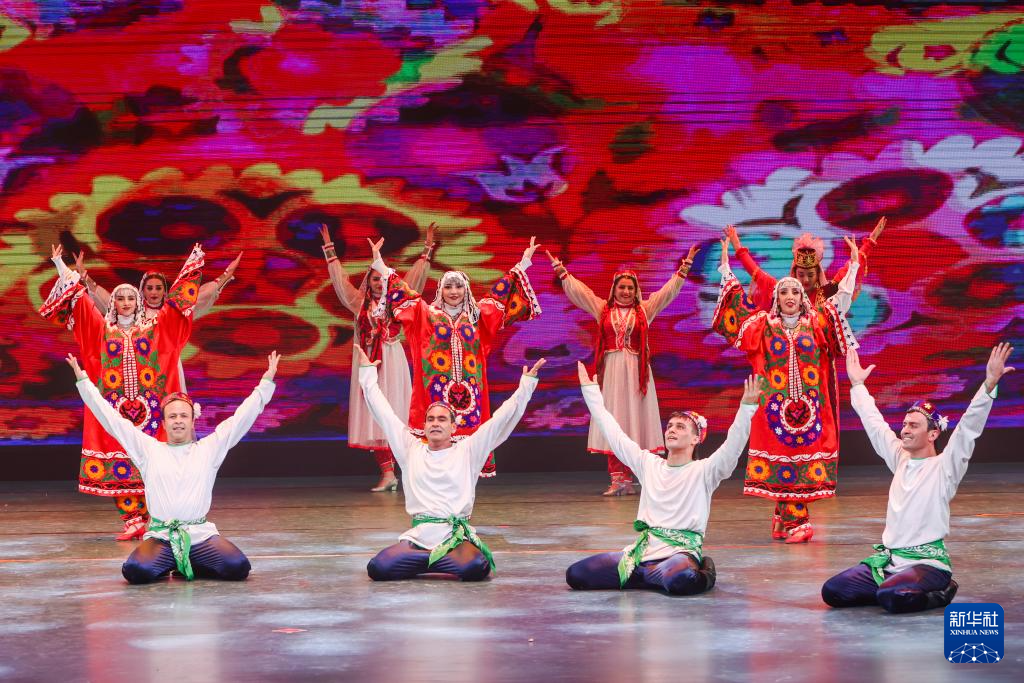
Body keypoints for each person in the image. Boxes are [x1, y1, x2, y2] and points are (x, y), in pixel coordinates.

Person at [821, 344, 1013, 613]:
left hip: (927, 564)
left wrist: (989, 384)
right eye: (904, 425)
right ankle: (893, 588)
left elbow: (968, 428)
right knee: (833, 592)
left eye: (913, 426)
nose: (905, 430)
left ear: (933, 434)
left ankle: (941, 591)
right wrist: (857, 385)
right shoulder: (900, 458)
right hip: (891, 562)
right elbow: (875, 425)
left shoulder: (945, 467)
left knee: (892, 597)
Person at [66, 350, 279, 584]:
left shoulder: (209, 448)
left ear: (192, 421)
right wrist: (84, 383)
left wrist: (265, 384)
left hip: (200, 537)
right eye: (173, 416)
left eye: (183, 416)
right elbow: (112, 421)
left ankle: (188, 562)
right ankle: (174, 561)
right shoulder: (148, 449)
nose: (178, 420)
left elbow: (240, 419)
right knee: (135, 571)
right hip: (162, 538)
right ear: (164, 423)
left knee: (238, 567)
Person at [41, 243, 205, 540]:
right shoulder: (103, 330)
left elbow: (176, 310)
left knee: (152, 465)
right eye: (120, 298)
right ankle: (132, 520)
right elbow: (80, 302)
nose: (126, 302)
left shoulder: (153, 330)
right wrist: (60, 266)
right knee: (119, 461)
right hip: (115, 411)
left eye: (131, 297)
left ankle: (153, 519)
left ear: (137, 301)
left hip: (151, 415)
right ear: (113, 303)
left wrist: (191, 267)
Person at [712, 237, 859, 543]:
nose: (790, 296)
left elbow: (841, 300)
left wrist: (855, 261)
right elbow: (736, 306)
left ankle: (798, 522)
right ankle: (785, 518)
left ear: (802, 297)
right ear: (776, 298)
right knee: (782, 456)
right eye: (783, 292)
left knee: (802, 455)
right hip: (774, 410)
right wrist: (725, 267)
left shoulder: (817, 322)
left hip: (811, 408)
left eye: (794, 291)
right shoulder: (763, 325)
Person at [566, 362, 759, 594]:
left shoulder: (705, 471)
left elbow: (733, 446)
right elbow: (614, 434)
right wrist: (591, 392)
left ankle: (700, 568)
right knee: (576, 575)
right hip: (640, 555)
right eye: (669, 426)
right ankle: (646, 576)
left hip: (677, 555)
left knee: (682, 580)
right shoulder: (649, 464)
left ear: (695, 439)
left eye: (680, 427)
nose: (671, 430)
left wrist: (747, 408)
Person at [356, 346, 545, 581]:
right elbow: (384, 414)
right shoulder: (410, 449)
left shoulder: (468, 451)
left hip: (454, 540)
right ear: (424, 426)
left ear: (453, 427)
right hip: (418, 539)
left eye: (442, 419)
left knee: (477, 566)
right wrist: (367, 375)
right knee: (378, 568)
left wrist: (526, 385)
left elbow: (501, 420)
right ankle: (432, 560)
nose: (435, 423)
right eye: (430, 419)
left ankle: (431, 562)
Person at [368, 235, 542, 477]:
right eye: (448, 287)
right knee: (435, 450)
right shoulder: (427, 315)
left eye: (458, 286)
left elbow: (501, 294)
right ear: (441, 289)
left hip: (471, 394)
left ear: (466, 289)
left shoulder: (477, 317)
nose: (453, 291)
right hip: (434, 392)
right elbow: (403, 293)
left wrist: (523, 263)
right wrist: (380, 264)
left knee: (468, 455)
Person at [547, 246, 698, 496]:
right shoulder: (603, 309)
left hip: (637, 373)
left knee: (637, 422)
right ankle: (619, 479)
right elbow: (581, 293)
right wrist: (561, 271)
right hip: (613, 372)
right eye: (622, 287)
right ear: (614, 289)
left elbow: (668, 292)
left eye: (630, 288)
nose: (626, 292)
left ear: (636, 290)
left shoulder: (645, 310)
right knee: (614, 421)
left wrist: (685, 266)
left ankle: (640, 476)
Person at [321, 224, 434, 491]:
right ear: (368, 281)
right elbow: (340, 283)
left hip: (392, 360)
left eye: (382, 279)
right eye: (374, 279)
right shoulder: (359, 303)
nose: (379, 283)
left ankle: (410, 472)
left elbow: (415, 278)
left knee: (396, 413)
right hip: (369, 362)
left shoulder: (398, 300)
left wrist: (427, 249)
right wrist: (330, 250)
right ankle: (387, 473)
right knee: (374, 416)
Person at [723, 218, 884, 311]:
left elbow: (849, 271)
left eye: (810, 275)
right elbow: (756, 273)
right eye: (801, 275)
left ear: (818, 274)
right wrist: (737, 246)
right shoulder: (782, 291)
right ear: (794, 273)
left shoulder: (826, 293)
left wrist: (869, 243)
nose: (806, 279)